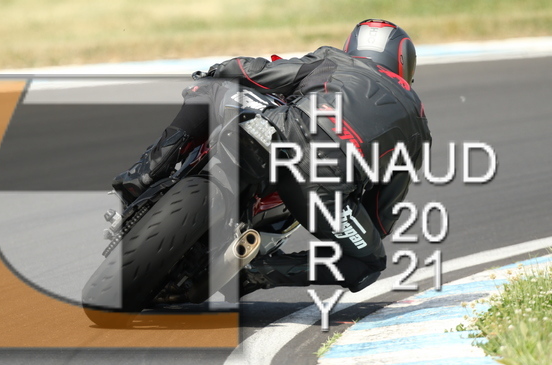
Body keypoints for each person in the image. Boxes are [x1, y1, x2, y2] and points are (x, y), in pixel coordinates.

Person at [112, 19, 432, 294]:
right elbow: (380, 216)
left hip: (280, 133)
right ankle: (255, 272)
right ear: (405, 64)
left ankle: (148, 170)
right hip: (324, 190)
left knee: (213, 86)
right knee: (367, 263)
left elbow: (254, 71)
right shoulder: (418, 124)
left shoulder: (333, 59)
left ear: (352, 46)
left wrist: (214, 72)